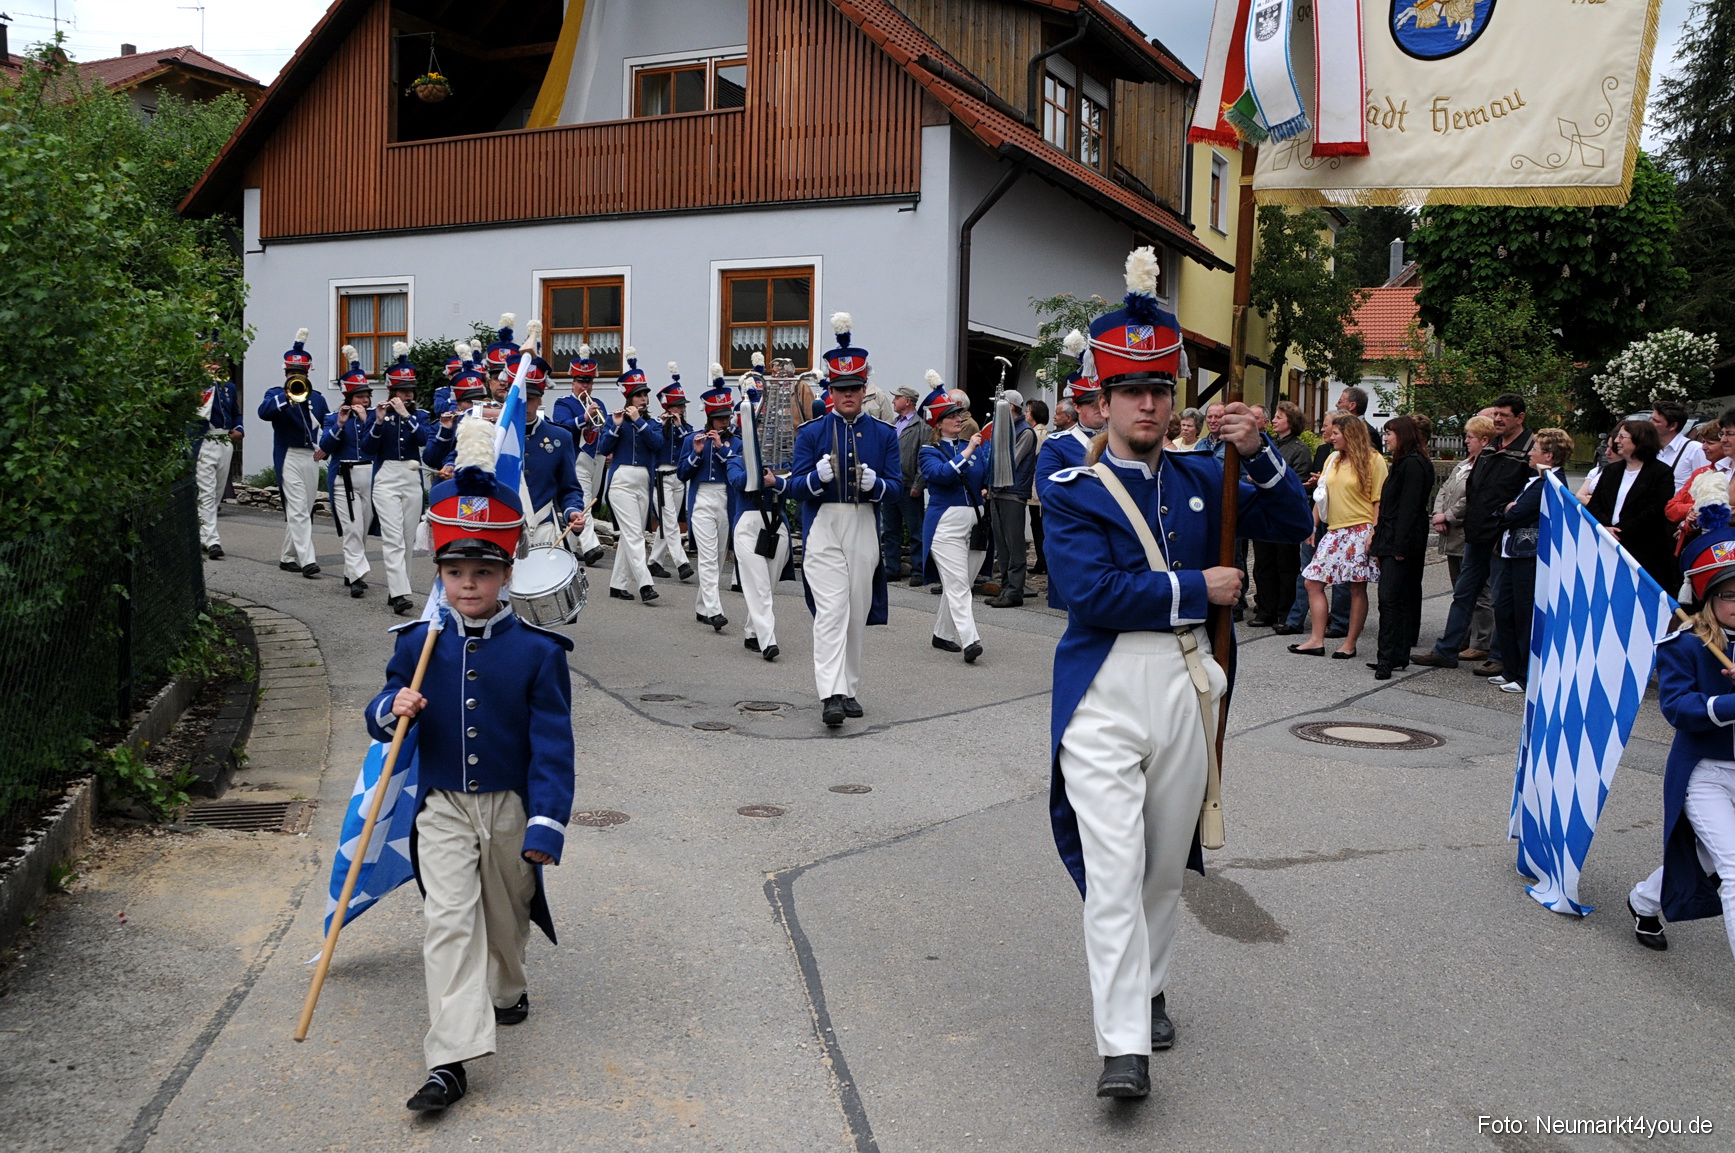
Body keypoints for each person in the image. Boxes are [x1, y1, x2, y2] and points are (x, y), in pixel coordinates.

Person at [1042, 248, 1311, 1098]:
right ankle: (1122, 1043)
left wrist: (1257, 449)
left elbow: (1292, 521)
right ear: (1103, 397)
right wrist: (1199, 586)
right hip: (1103, 689)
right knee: (1113, 867)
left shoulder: (1206, 473)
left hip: (1189, 683)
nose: (1148, 404)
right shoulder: (1071, 483)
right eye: (1131, 390)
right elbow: (1087, 591)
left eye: (1159, 388)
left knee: (1162, 863)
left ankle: (1150, 983)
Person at [372, 413, 574, 1114]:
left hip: (511, 806)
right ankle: (449, 1061)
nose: (467, 585)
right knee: (449, 923)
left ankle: (509, 987)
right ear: (439, 574)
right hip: (443, 807)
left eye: (482, 572)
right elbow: (381, 706)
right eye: (454, 572)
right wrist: (391, 706)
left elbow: (553, 745)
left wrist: (546, 823)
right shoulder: (417, 643)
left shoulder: (540, 653)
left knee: (505, 916)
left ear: (506, 573)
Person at [1624, 511, 1735, 962]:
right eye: (1730, 594)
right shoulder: (1684, 645)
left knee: (1709, 857)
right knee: (1733, 866)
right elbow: (1678, 710)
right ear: (1708, 597)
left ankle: (1644, 900)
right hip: (1705, 773)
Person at [789, 314, 903, 727]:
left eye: (854, 387)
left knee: (855, 609)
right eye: (841, 389)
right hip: (824, 523)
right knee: (831, 609)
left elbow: (897, 487)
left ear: (865, 388)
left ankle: (849, 687)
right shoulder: (811, 432)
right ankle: (830, 694)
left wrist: (876, 486)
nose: (848, 395)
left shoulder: (884, 434)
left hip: (863, 522)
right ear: (831, 392)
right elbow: (794, 487)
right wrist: (814, 480)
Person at [1412, 393, 1535, 675]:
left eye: (1504, 415)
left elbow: (1527, 495)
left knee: (1499, 599)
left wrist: (1502, 520)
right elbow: (1474, 489)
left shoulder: (1529, 451)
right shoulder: (1491, 448)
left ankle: (1499, 655)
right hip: (1477, 535)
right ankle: (1446, 650)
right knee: (1463, 593)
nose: (1498, 419)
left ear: (1520, 418)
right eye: (1496, 414)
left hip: (1504, 537)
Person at [1290, 412, 1385, 659]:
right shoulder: (1332, 459)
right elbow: (1321, 495)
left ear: (1350, 435)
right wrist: (1311, 526)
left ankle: (1350, 643)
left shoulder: (1374, 460)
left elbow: (1379, 500)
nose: (1331, 437)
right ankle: (1316, 640)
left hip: (1359, 528)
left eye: (1335, 433)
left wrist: (1374, 532)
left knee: (1356, 587)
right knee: (1312, 581)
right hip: (1334, 530)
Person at [1487, 427, 1573, 695]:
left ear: (1548, 455)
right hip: (1513, 552)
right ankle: (1510, 668)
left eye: (1535, 449)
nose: (1529, 454)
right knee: (1505, 610)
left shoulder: (1551, 482)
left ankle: (1525, 674)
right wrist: (1505, 509)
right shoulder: (1534, 480)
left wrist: (1507, 511)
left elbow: (1517, 513)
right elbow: (1505, 508)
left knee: (1524, 614)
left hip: (1528, 555)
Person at [917, 378, 990, 663]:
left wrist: (985, 484)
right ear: (938, 424)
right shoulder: (929, 451)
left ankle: (942, 633)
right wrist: (968, 451)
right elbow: (941, 475)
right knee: (958, 584)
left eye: (959, 414)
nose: (959, 419)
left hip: (976, 522)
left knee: (961, 584)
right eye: (952, 416)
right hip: (945, 525)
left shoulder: (971, 446)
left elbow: (984, 474)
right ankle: (971, 640)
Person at [259, 327, 331, 578]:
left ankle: (288, 557)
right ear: (285, 373)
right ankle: (308, 560)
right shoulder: (275, 394)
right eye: (292, 373)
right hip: (288, 455)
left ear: (307, 374)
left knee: (305, 509)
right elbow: (264, 412)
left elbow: (328, 425)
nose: (296, 376)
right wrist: (288, 397)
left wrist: (327, 447)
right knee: (298, 509)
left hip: (310, 457)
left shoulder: (318, 399)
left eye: (300, 373)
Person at [729, 386, 795, 662]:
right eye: (757, 429)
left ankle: (752, 632)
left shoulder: (783, 458)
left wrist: (777, 478)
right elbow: (737, 481)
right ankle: (769, 641)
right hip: (748, 524)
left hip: (777, 525)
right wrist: (757, 468)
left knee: (767, 584)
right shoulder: (736, 457)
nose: (762, 434)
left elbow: (795, 485)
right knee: (759, 585)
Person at [595, 353, 664, 602]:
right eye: (638, 395)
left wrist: (638, 421)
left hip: (643, 481)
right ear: (628, 398)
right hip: (621, 481)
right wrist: (615, 426)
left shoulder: (652, 423)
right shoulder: (616, 420)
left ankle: (618, 584)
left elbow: (657, 444)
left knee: (629, 535)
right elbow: (603, 448)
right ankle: (645, 584)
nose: (643, 398)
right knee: (635, 534)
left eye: (645, 394)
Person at [1035, 367, 1106, 610]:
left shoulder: (1121, 441)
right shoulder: (1057, 444)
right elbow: (1047, 491)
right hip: (1075, 534)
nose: (1099, 408)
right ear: (1076, 407)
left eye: (1102, 401)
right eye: (1091, 404)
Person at [1587, 418, 1682, 597]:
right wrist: (1605, 527)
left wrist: (1621, 531)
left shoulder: (1661, 472)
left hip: (1643, 549)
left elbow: (1656, 509)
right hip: (1607, 543)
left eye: (1622, 437)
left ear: (1640, 440)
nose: (1616, 441)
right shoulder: (1611, 471)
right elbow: (1595, 504)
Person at [1368, 416, 1432, 679]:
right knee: (1396, 598)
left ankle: (1387, 657)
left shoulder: (1414, 465)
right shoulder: (1403, 463)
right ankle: (1396, 654)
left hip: (1401, 540)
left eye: (1389, 434)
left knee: (1390, 598)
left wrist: (1398, 547)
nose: (1385, 438)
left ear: (1402, 435)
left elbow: (1408, 509)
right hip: (1392, 537)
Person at [372, 345, 432, 614]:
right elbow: (369, 448)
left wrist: (407, 416)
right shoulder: (379, 415)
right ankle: (399, 594)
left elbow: (424, 440)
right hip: (386, 477)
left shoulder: (420, 416)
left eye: (411, 390)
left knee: (408, 539)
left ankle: (398, 588)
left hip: (411, 476)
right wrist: (378, 422)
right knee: (393, 538)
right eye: (402, 390)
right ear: (391, 391)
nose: (408, 395)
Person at [1432, 414, 1497, 660]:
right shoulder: (1463, 464)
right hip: (1450, 536)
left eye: (1470, 437)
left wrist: (1448, 516)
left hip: (1466, 533)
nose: (1466, 441)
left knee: (1479, 591)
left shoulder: (1486, 466)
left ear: (1484, 439)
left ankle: (1482, 640)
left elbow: (1470, 498)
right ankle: (1463, 635)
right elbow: (1444, 489)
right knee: (1459, 589)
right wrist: (1438, 513)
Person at [678, 376, 741, 631]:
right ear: (709, 418)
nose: (724, 422)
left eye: (726, 418)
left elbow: (739, 472)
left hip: (725, 500)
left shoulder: (736, 442)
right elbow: (682, 474)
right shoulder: (692, 439)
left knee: (718, 558)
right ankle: (715, 610)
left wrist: (721, 448)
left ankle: (702, 606)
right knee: (706, 557)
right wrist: (696, 453)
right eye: (719, 418)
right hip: (702, 499)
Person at [320, 347, 378, 599]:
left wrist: (367, 420)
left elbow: (377, 442)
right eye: (360, 396)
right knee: (352, 528)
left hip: (370, 476)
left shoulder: (376, 417)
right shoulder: (333, 417)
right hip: (343, 477)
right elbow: (325, 446)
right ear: (349, 397)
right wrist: (341, 425)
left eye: (367, 396)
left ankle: (350, 570)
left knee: (363, 528)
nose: (365, 401)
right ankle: (356, 577)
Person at [1248, 401, 1312, 627]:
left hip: (1285, 515)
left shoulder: (1300, 449)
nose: (1274, 421)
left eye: (1279, 417)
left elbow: (1298, 480)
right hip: (1264, 512)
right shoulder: (1269, 445)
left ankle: (1285, 612)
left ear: (1291, 422)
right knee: (1263, 564)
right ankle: (1265, 610)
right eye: (1274, 416)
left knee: (1286, 565)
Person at [518, 345, 588, 551]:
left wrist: (572, 510)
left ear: (540, 399)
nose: (526, 405)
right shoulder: (495, 434)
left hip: (543, 530)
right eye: (521, 399)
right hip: (503, 528)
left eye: (531, 399)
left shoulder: (560, 437)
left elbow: (569, 487)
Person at [549, 344, 610, 565]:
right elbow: (561, 426)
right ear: (573, 383)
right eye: (581, 381)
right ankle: (591, 546)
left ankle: (568, 547)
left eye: (589, 382)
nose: (585, 386)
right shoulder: (563, 402)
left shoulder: (599, 404)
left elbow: (603, 429)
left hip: (596, 458)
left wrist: (608, 450)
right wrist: (584, 417)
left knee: (587, 502)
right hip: (576, 458)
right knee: (583, 502)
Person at [986, 390, 1038, 608]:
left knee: (1014, 545)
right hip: (998, 491)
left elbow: (1010, 462)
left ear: (1010, 407)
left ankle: (1014, 592)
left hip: (1013, 493)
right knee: (1002, 545)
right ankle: (1006, 589)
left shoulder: (1025, 432)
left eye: (1000, 406)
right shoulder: (1005, 428)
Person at [192, 359, 243, 560]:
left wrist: (239, 429)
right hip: (205, 439)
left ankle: (202, 535)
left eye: (217, 361)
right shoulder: (196, 386)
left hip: (224, 440)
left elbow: (235, 414)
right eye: (210, 361)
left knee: (217, 492)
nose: (215, 365)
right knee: (206, 491)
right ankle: (213, 540)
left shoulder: (229, 386)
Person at [648, 369, 695, 582]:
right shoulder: (657, 425)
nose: (682, 409)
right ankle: (682, 563)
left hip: (679, 477)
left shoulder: (686, 427)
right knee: (669, 520)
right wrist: (664, 424)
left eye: (683, 406)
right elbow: (654, 442)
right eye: (678, 406)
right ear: (668, 407)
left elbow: (691, 444)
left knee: (670, 521)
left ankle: (654, 561)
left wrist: (679, 425)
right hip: (661, 477)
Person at [1664, 418, 1729, 554]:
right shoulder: (1701, 473)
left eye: (1710, 443)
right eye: (1703, 442)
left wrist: (1701, 509)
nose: (1703, 447)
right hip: (1697, 545)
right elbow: (1671, 509)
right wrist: (1696, 508)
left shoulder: (1729, 474)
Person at [884, 384, 926, 583]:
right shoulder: (893, 424)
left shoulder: (921, 427)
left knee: (916, 531)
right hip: (892, 485)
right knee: (890, 530)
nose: (893, 401)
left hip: (909, 486)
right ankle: (892, 568)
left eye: (897, 397)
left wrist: (918, 484)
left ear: (907, 401)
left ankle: (919, 570)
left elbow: (923, 459)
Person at [1653, 400, 1708, 489]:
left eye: (1657, 421)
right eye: (1651, 419)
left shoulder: (1695, 450)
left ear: (1673, 426)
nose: (1650, 423)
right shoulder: (1649, 448)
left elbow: (1704, 487)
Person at [1027, 398, 1051, 575]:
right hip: (1037, 485)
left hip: (1036, 485)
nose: (1025, 414)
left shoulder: (1037, 434)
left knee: (1038, 524)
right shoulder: (1042, 432)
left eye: (1028, 411)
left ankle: (1043, 561)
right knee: (1037, 523)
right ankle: (1042, 561)